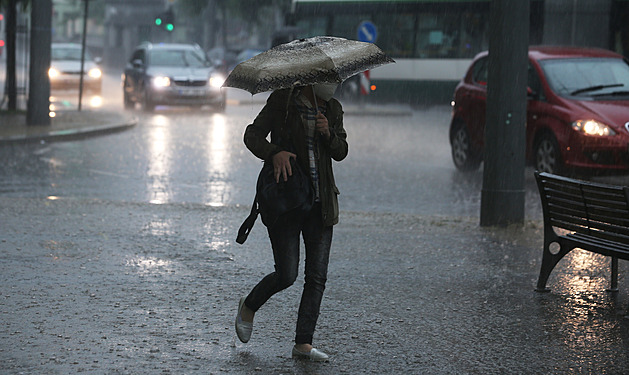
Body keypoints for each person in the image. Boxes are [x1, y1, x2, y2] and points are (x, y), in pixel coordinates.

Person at [235, 83, 348, 361]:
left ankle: (303, 343)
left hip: (321, 203)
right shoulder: (283, 102)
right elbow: (252, 135)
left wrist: (328, 133)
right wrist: (274, 153)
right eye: (326, 76)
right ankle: (249, 305)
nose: (333, 83)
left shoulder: (332, 109)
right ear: (310, 77)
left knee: (317, 277)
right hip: (287, 201)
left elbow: (341, 151)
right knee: (287, 274)